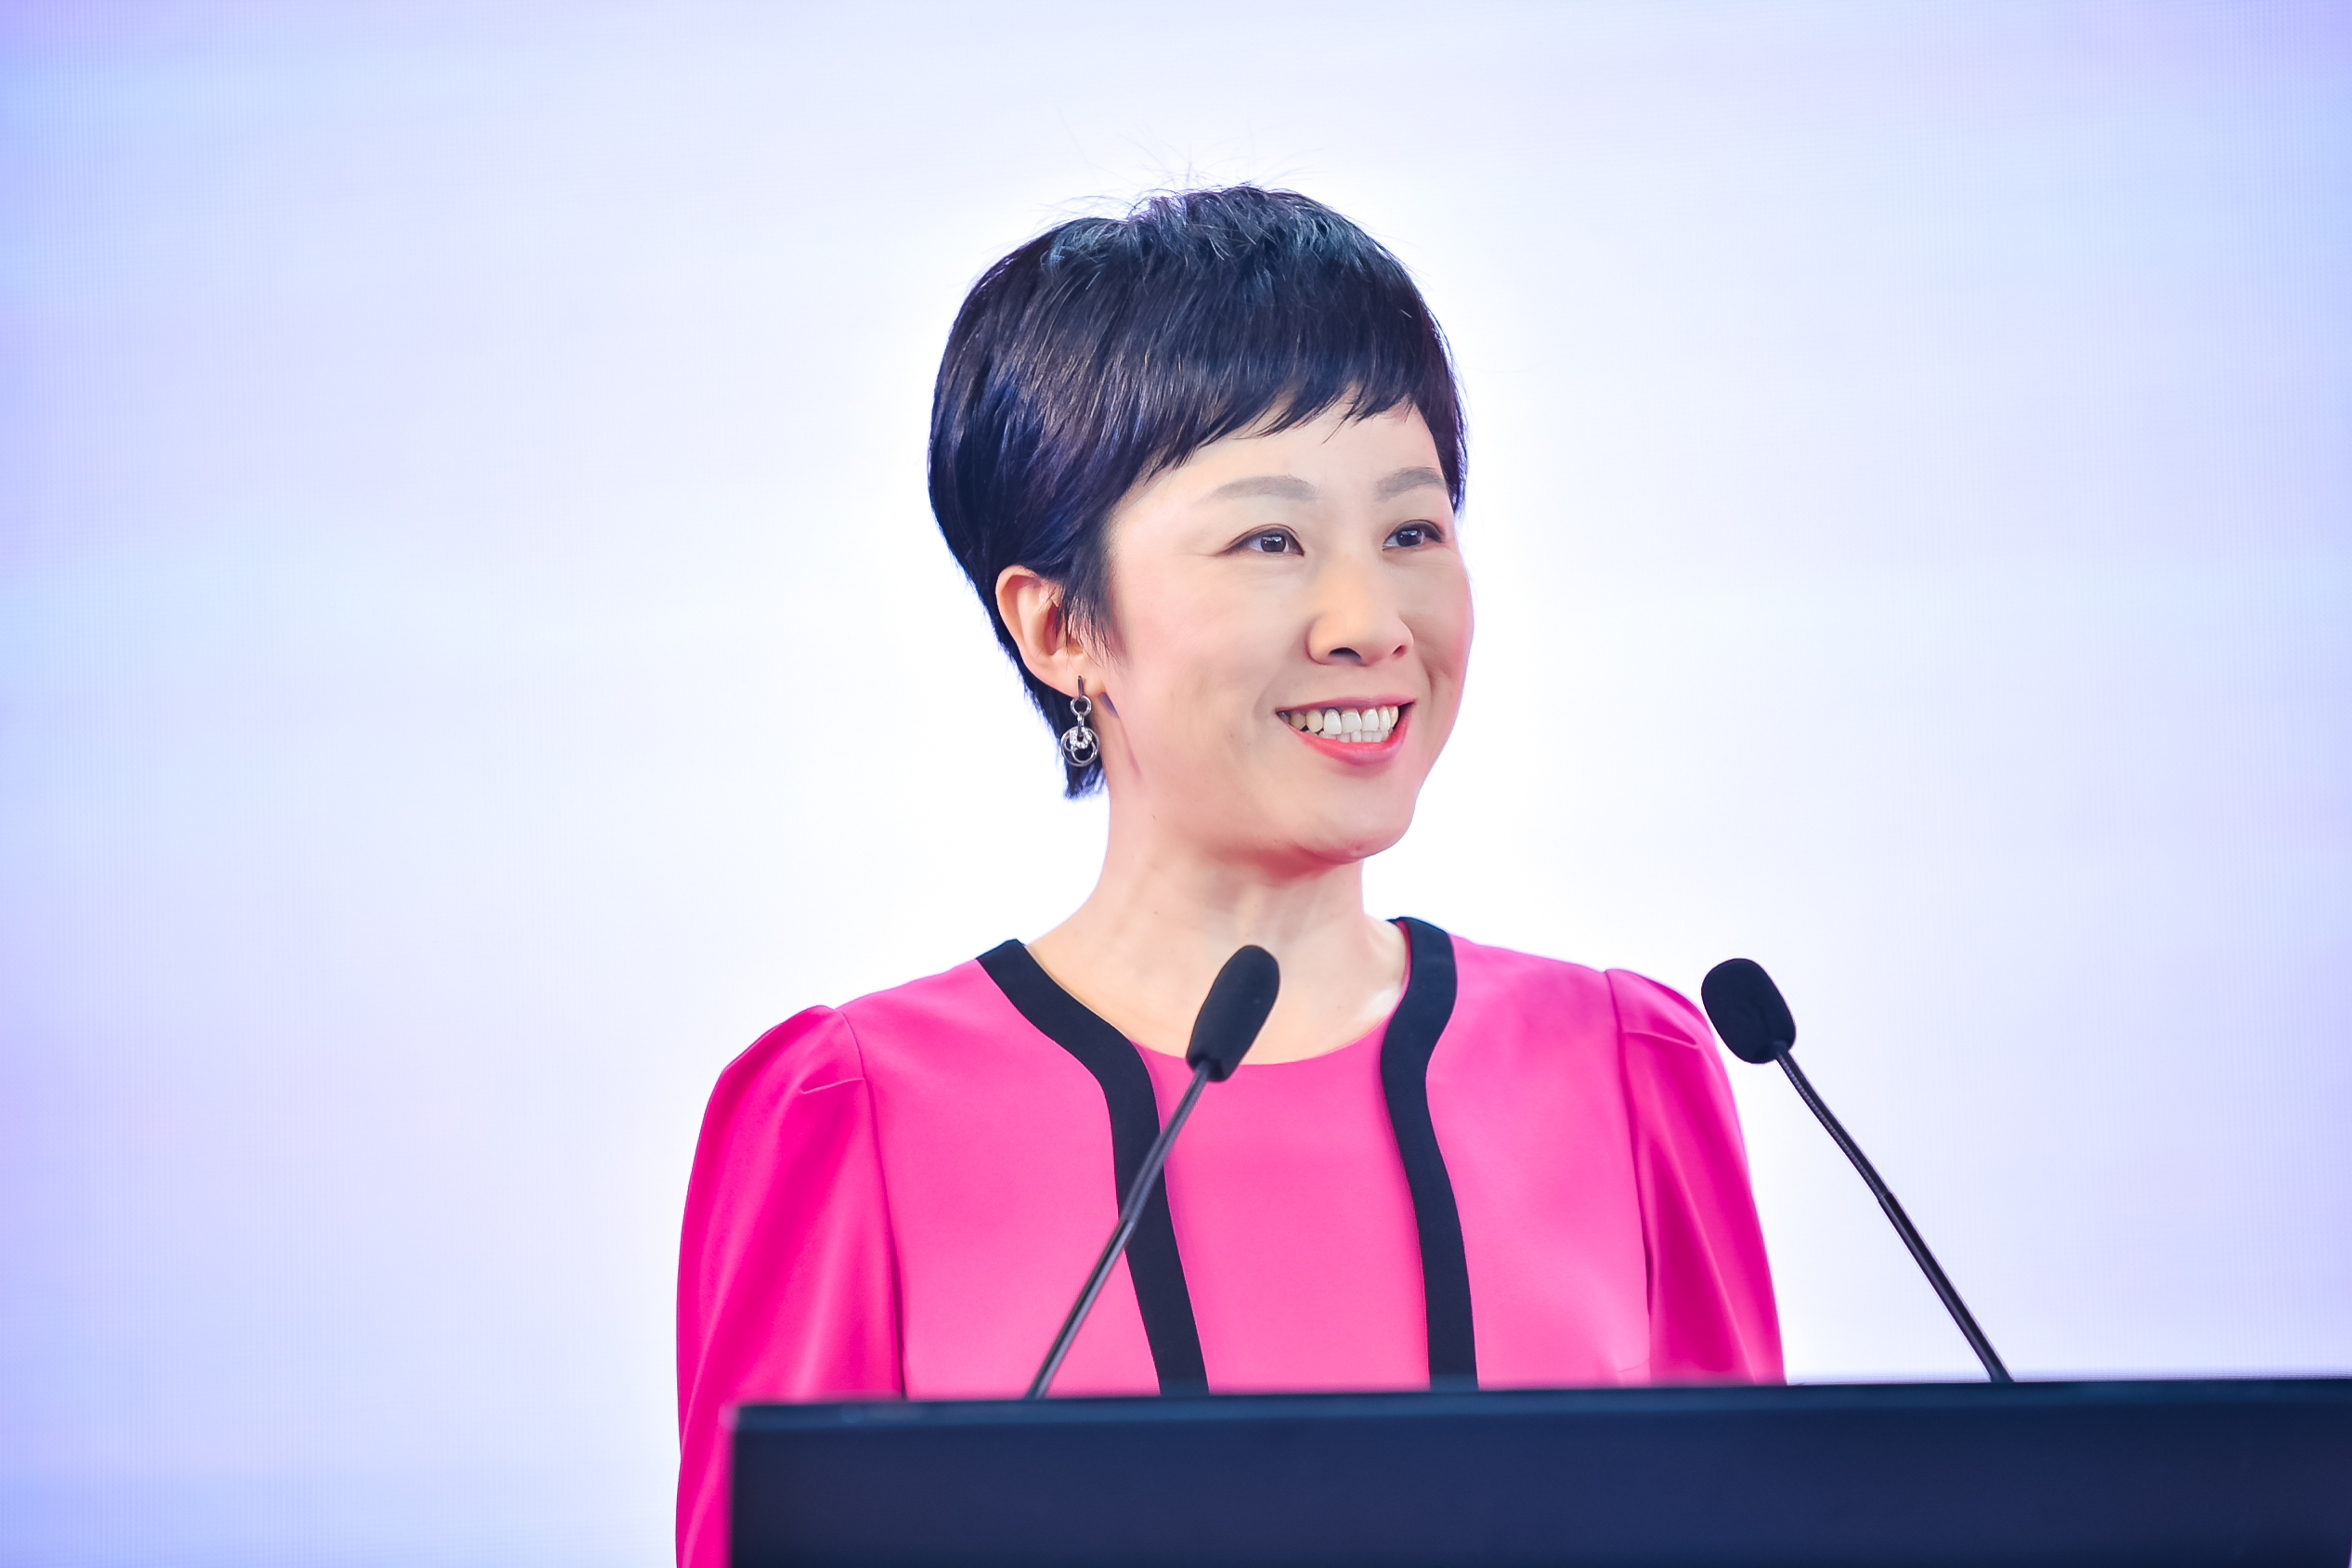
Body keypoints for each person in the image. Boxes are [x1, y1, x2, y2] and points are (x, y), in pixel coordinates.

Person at [673, 187, 1781, 1568]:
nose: (1369, 622)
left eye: (1412, 531)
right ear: (1060, 625)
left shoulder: (1627, 1068)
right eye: (1271, 541)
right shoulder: (852, 1115)